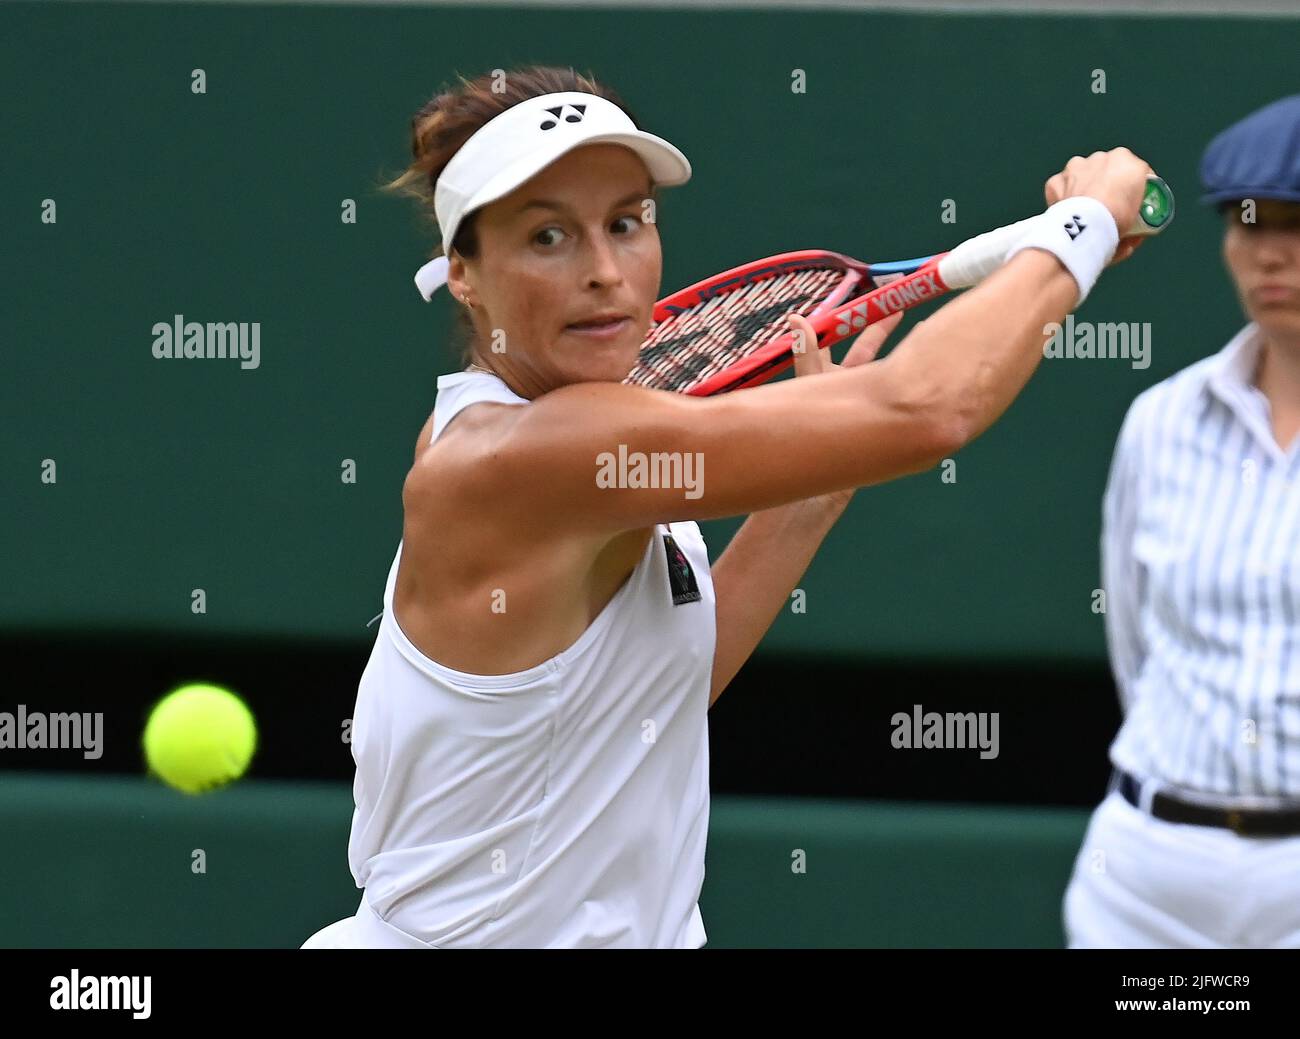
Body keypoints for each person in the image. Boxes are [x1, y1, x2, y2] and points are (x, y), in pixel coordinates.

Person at [302, 64, 1154, 948]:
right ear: (464, 276)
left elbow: (642, 700)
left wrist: (809, 498)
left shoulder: (576, 434)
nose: (605, 271)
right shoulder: (527, 456)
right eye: (548, 237)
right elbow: (928, 407)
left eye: (627, 223)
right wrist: (1078, 230)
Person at [1064, 94, 1300, 948]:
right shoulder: (1160, 420)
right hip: (1149, 877)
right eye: (1247, 222)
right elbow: (1135, 640)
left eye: (1297, 222)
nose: (1269, 250)